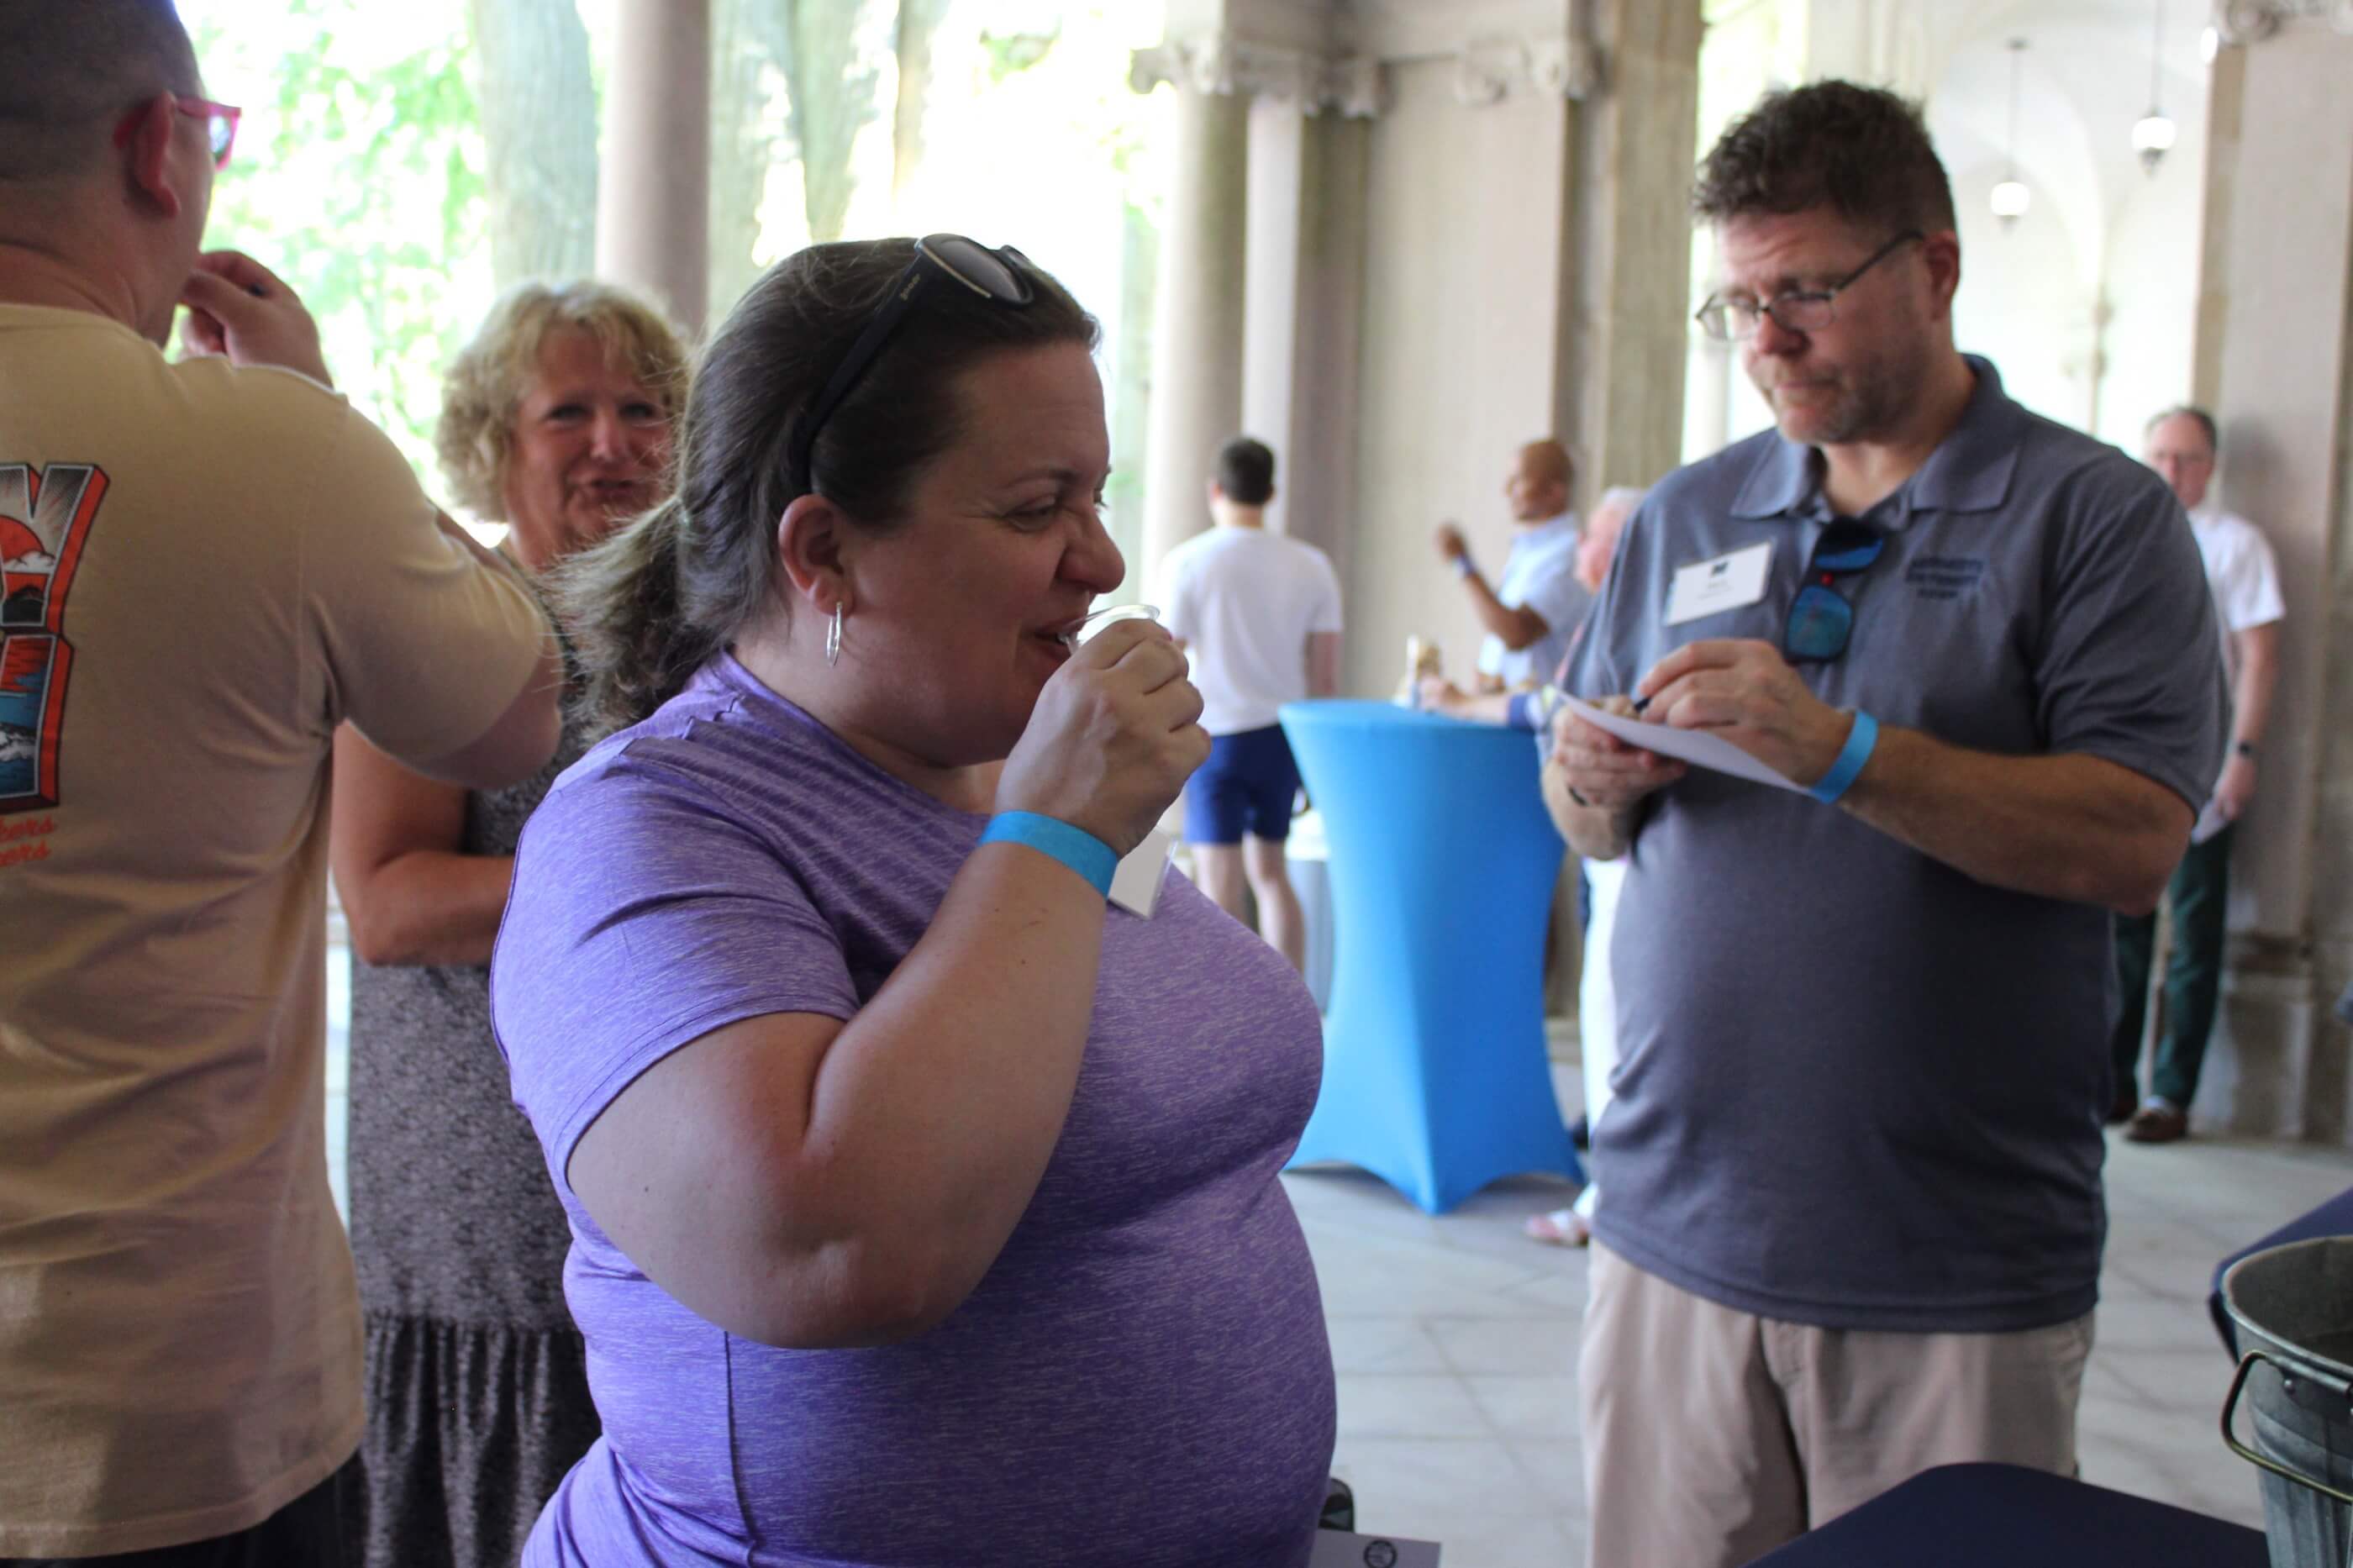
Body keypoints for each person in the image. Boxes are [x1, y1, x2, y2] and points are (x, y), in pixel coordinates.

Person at [488, 236, 1337, 1567]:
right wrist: (1051, 832)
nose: (1102, 560)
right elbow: (828, 1247)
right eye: (1036, 507)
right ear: (824, 549)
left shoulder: (1014, 764)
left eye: (1098, 495)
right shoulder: (648, 826)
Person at [1545, 82, 2226, 1566]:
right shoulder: (1686, 512)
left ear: (1934, 268)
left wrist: (1844, 750)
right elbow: (1584, 816)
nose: (1767, 341)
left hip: (1948, 1268)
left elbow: (2134, 843)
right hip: (1672, 1236)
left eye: (1806, 291)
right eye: (1738, 303)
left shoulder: (2097, 521)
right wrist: (1592, 782)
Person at [0, 3, 562, 1563]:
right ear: (156, 147)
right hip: (176, 1409)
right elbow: (516, 711)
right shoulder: (270, 455)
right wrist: (312, 407)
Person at [328, 282, 688, 1568]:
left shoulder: (706, 641)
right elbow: (384, 899)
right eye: (568, 412)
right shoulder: (450, 622)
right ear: (496, 441)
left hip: (669, 1189)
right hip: (482, 1186)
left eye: (644, 409)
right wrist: (649, 886)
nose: (614, 442)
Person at [2110, 405, 2283, 1144]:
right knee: (2121, 932)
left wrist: (2242, 754)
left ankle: (2171, 1094)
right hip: (2128, 759)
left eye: (2186, 458)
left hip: (2205, 761)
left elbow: (2260, 658)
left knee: (2195, 935)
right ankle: (2109, 1083)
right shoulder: (2121, 534)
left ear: (2210, 467)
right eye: (2160, 455)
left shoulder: (2237, 545)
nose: (2172, 471)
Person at [1515, 485, 1644, 1250]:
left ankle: (1611, 1198)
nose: (1581, 551)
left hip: (1626, 853)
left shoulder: (1630, 614)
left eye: (1596, 534)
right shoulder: (1607, 614)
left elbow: (1568, 707)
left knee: (1614, 1020)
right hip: (1599, 846)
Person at [1158, 435, 1342, 971]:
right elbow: (1325, 676)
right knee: (1272, 874)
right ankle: (1291, 1009)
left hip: (1215, 736)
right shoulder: (1312, 565)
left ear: (1215, 489)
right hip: (1284, 736)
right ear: (1272, 492)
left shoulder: (1189, 561)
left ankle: (1232, 1018)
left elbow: (1170, 658)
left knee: (1220, 882)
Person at [1419, 485, 1645, 732]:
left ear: (1622, 551)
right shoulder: (1605, 615)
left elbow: (1552, 704)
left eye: (1591, 536)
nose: (1579, 541)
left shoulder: (1622, 623)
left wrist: (1466, 704)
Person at [1432, 439, 1588, 695]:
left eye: (1518, 480)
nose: (1506, 490)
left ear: (1555, 490)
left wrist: (1463, 564)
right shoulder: (1531, 549)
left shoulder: (1569, 553)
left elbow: (1516, 633)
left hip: (1534, 721)